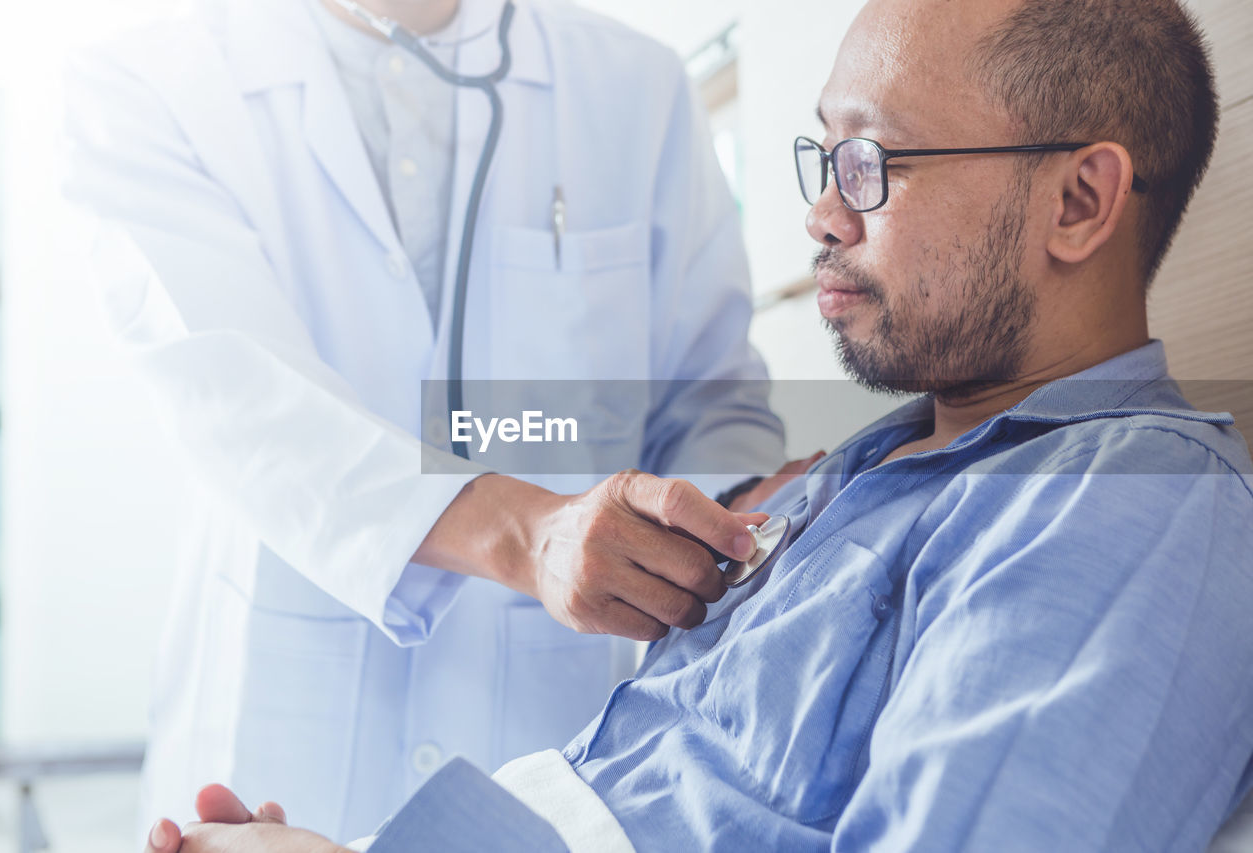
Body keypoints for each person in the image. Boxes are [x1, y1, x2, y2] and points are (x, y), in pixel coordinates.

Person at [136, 0, 1253, 849]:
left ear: (1076, 203)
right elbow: (231, 391)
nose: (818, 213)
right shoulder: (853, 476)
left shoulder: (1129, 502)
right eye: (822, 157)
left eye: (869, 161)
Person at [61, 0, 792, 840]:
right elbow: (239, 395)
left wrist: (732, 514)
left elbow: (708, 399)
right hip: (269, 755)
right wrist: (530, 533)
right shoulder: (149, 81)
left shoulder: (637, 87)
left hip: (548, 767)